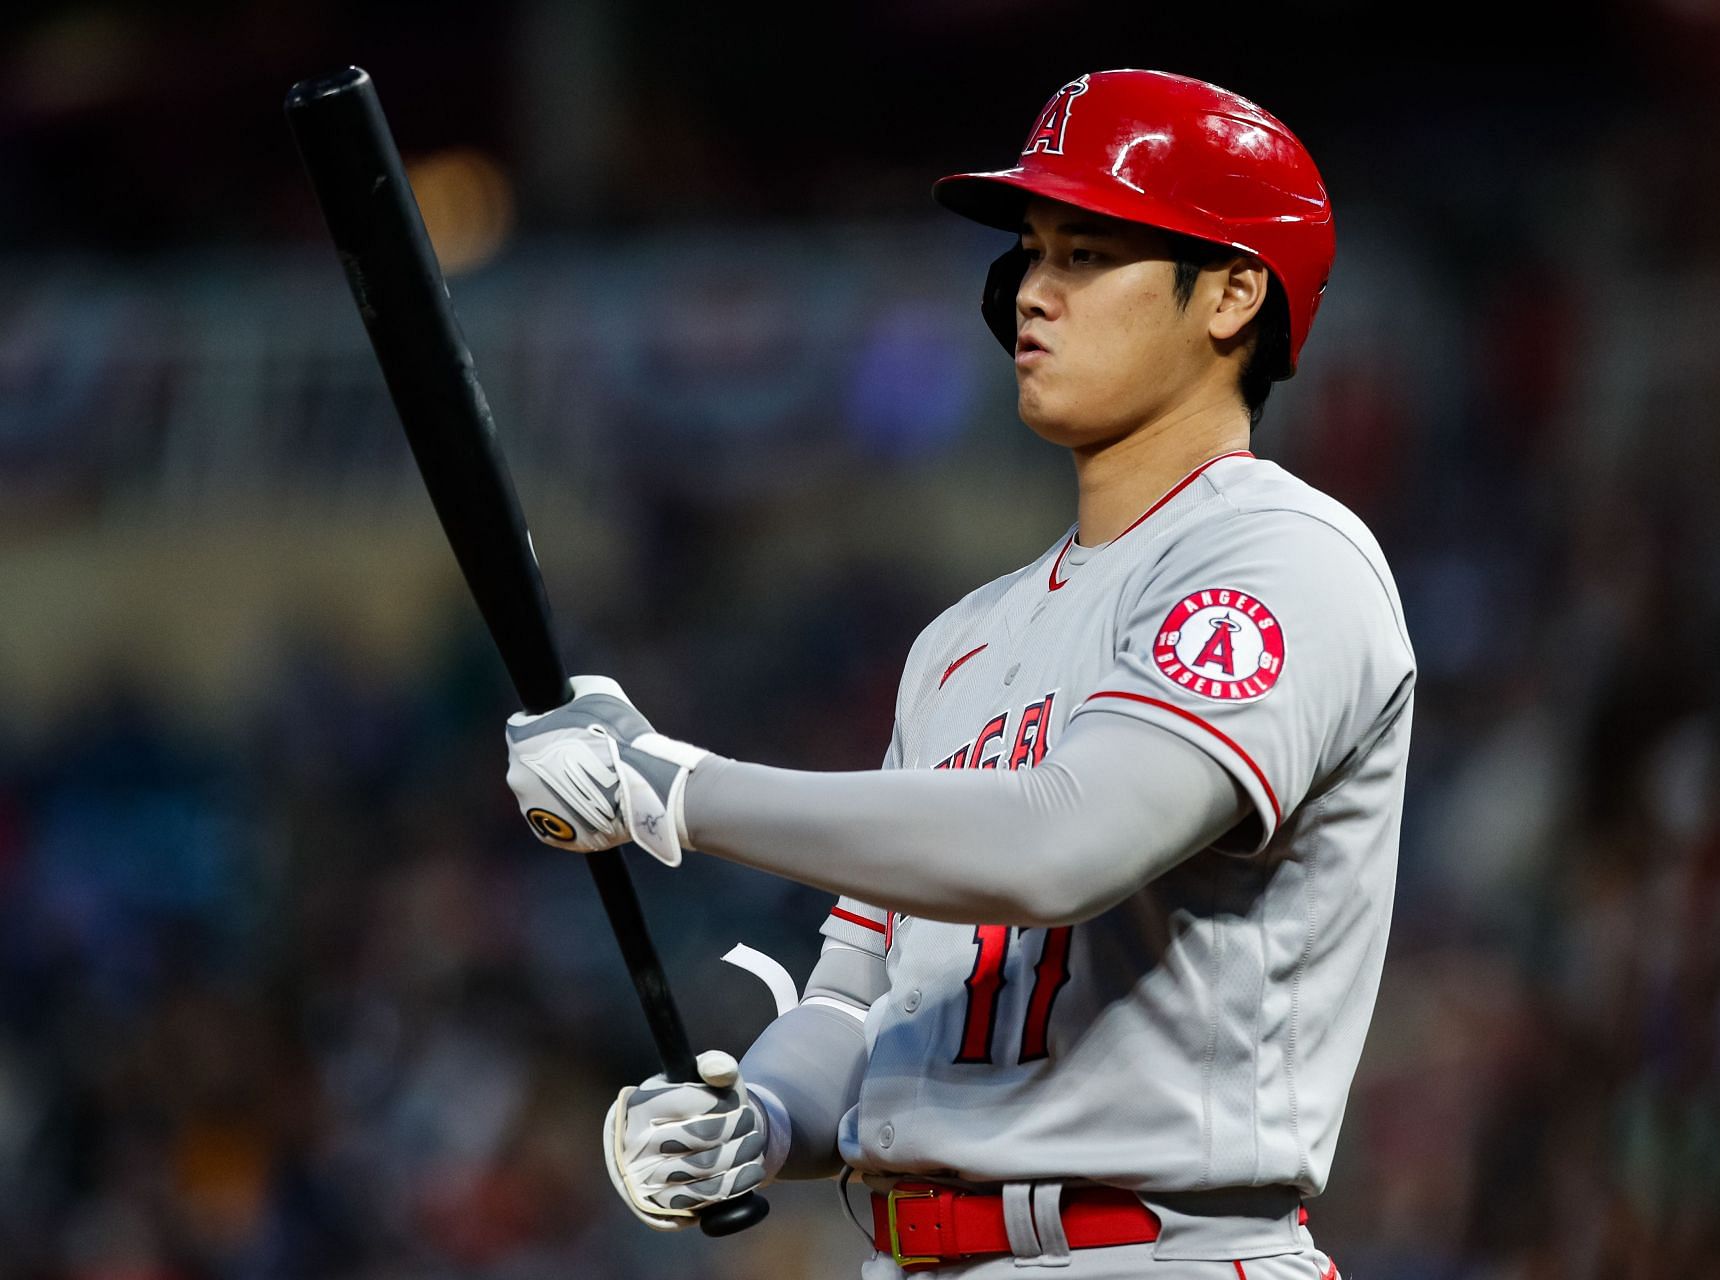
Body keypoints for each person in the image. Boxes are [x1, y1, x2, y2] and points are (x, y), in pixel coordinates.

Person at [504, 69, 1415, 1279]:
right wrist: (765, 1118)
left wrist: (676, 788)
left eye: (1087, 252)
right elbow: (856, 991)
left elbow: (1061, 845)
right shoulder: (963, 642)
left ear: (1235, 293)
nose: (1033, 292)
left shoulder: (1284, 558)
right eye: (1032, 252)